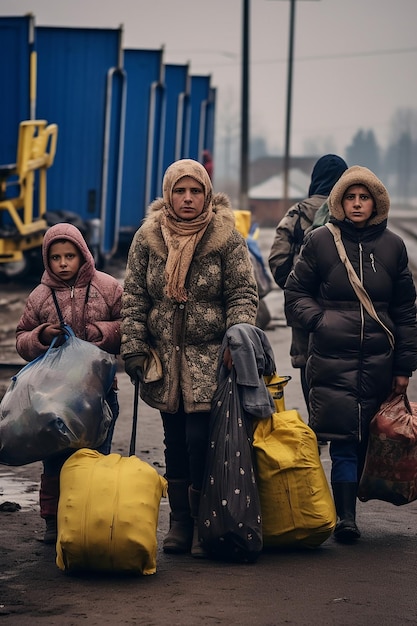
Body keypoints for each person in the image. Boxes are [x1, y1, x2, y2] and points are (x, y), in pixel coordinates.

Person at [120, 158, 258, 558]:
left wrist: (237, 340)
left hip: (210, 360)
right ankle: (179, 523)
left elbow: (242, 294)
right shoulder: (148, 238)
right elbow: (134, 297)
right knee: (174, 442)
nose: (187, 198)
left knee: (201, 441)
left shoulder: (225, 237)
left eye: (195, 191)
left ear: (207, 194)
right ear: (168, 195)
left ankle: (201, 522)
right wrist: (132, 347)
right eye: (180, 191)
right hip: (163, 362)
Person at [284, 165, 417, 543]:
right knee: (343, 437)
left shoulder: (393, 246)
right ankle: (346, 518)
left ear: (376, 202)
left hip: (380, 360)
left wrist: (405, 365)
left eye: (364, 198)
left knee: (366, 438)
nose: (357, 204)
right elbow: (295, 294)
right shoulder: (320, 242)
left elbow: (406, 310)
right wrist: (322, 321)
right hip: (332, 358)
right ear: (339, 202)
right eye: (350, 198)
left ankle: (350, 503)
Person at [15, 223, 123, 543]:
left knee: (93, 458)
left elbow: (130, 324)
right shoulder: (40, 295)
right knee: (54, 461)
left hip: (98, 393)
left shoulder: (108, 287)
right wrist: (41, 336)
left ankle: (89, 516)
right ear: (47, 260)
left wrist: (106, 333)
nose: (63, 263)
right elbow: (22, 337)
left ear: (83, 255)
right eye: (56, 257)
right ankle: (53, 519)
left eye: (70, 256)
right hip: (54, 398)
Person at [268, 154, 348, 422]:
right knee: (342, 362)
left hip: (304, 307)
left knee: (306, 360)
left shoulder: (298, 211)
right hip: (344, 307)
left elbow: (277, 258)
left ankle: (316, 420)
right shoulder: (351, 210)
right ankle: (336, 421)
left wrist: (295, 288)